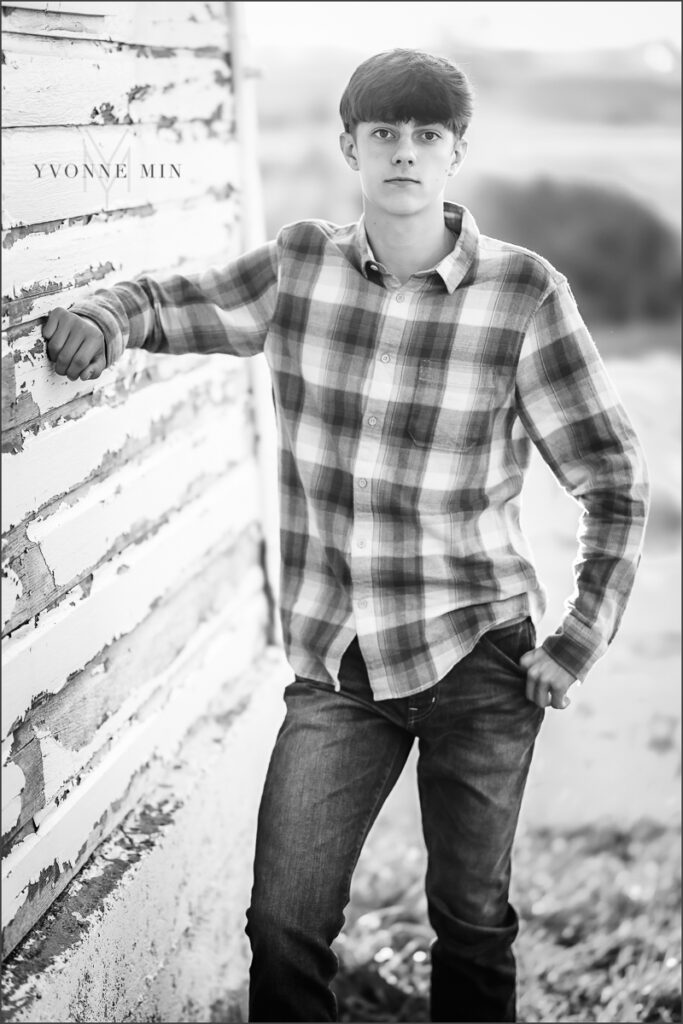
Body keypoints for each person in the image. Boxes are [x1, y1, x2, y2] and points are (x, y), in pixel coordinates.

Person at [43, 48, 649, 1024]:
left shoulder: (521, 294)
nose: (402, 153)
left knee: (470, 920)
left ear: (454, 152)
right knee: (283, 924)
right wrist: (102, 314)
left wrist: (573, 639)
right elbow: (174, 300)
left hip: (478, 657)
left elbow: (610, 475)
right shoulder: (298, 267)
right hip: (337, 665)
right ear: (349, 147)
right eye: (382, 134)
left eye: (424, 136)